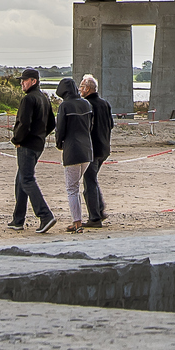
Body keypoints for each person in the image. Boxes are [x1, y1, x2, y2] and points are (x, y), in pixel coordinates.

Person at [8, 67, 57, 233]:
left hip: (27, 145)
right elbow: (52, 123)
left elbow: (24, 123)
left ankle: (45, 215)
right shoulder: (44, 98)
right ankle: (18, 219)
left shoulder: (28, 99)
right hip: (38, 144)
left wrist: (17, 140)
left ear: (33, 81)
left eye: (24, 80)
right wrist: (41, 135)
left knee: (27, 179)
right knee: (20, 179)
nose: (21, 82)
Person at [52, 77, 95, 232]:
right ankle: (78, 220)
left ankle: (77, 222)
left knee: (72, 187)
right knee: (76, 185)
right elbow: (91, 126)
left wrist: (59, 144)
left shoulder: (64, 106)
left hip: (72, 150)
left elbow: (60, 129)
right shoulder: (86, 103)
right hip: (87, 149)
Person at [80, 73, 114, 228]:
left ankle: (95, 217)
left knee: (89, 183)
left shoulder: (86, 104)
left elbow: (85, 128)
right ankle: (99, 211)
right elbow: (111, 124)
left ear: (87, 89)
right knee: (92, 180)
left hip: (92, 149)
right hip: (104, 148)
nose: (79, 89)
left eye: (81, 86)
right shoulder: (105, 103)